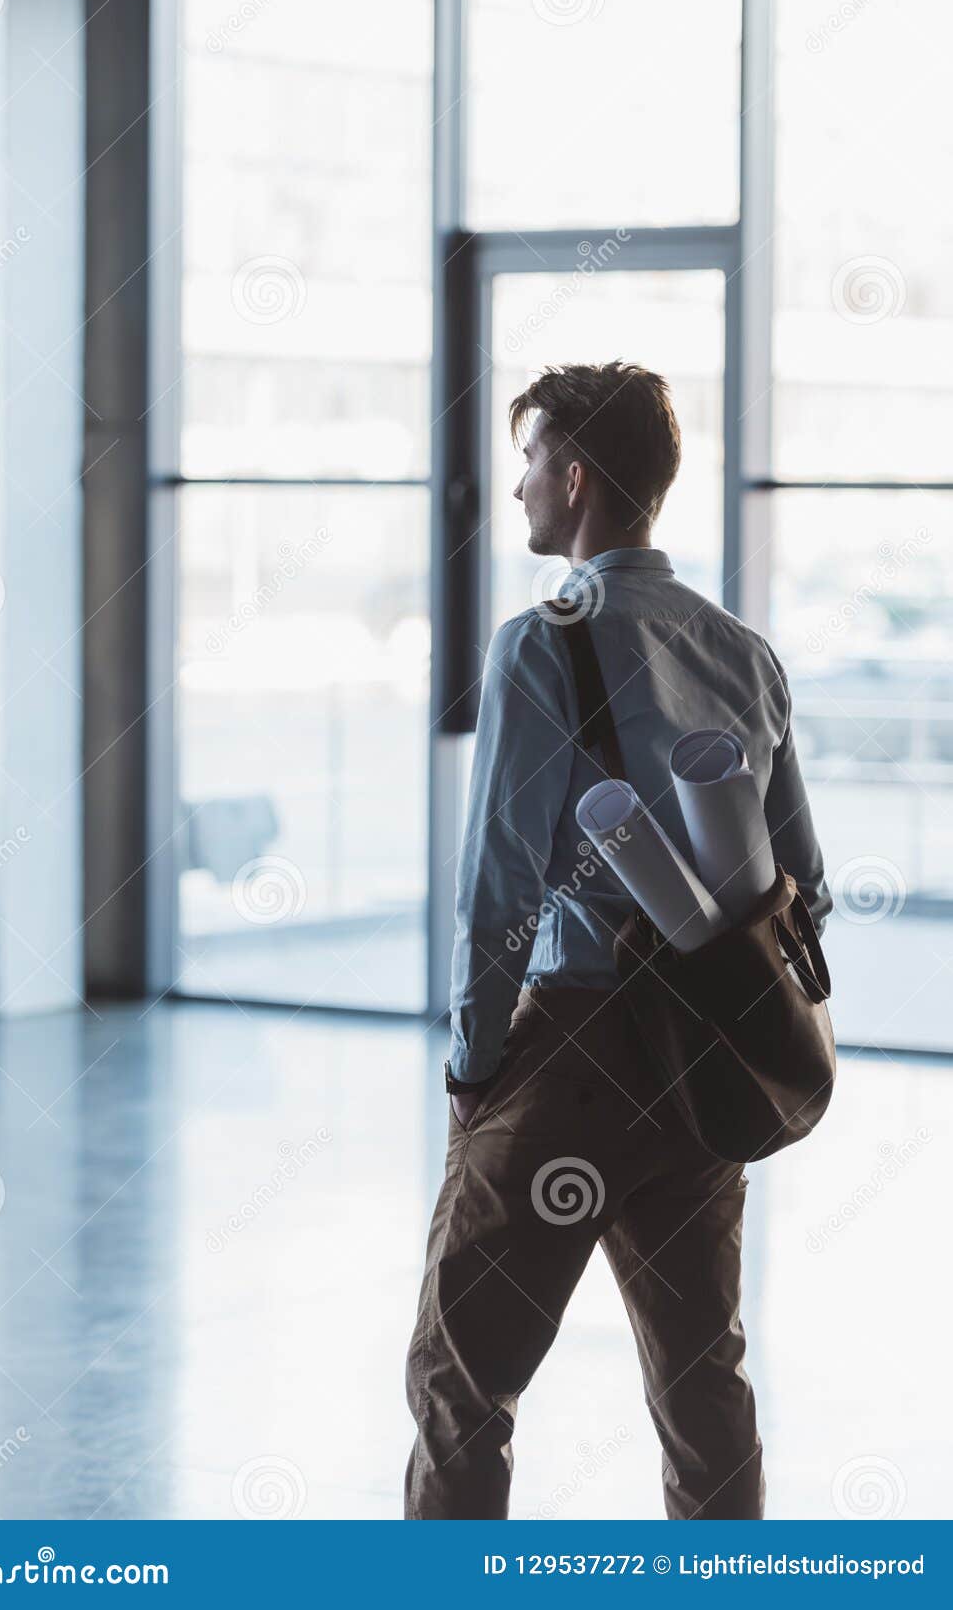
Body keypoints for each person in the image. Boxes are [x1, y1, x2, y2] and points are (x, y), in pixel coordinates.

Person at [404, 361, 831, 1521]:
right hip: (701, 1053)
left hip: (574, 1050)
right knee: (704, 1383)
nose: (522, 484)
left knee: (463, 1380)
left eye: (533, 458)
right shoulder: (742, 650)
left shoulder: (539, 642)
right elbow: (808, 891)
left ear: (576, 475)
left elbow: (497, 889)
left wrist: (474, 1064)